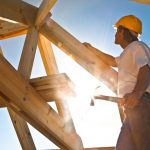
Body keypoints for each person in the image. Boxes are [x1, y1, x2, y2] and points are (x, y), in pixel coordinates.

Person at [83, 15, 150, 150]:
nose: (115, 34)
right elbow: (112, 61)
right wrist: (92, 49)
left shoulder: (137, 46)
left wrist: (136, 94)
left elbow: (145, 70)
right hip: (132, 108)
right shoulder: (127, 53)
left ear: (122, 31)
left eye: (117, 31)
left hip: (142, 105)